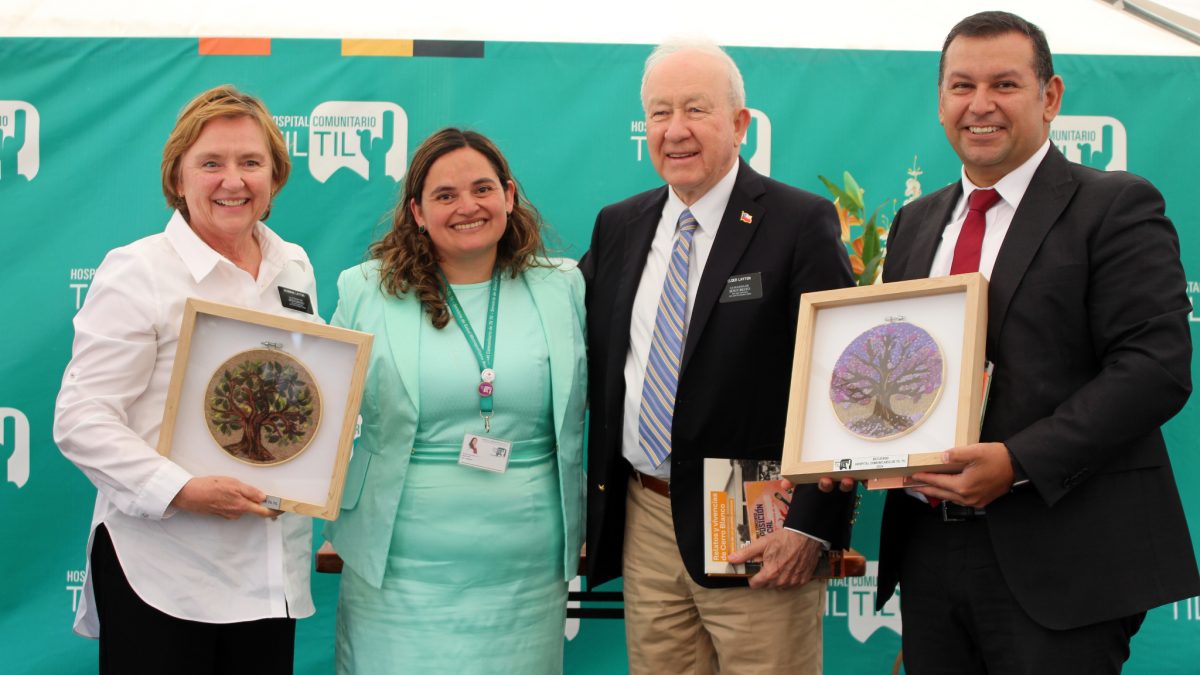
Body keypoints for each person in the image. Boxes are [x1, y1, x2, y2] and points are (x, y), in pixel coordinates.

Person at [874, 11, 1199, 673]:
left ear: (1050, 97)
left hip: (1064, 555)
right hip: (929, 552)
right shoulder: (914, 222)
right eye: (962, 86)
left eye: (1005, 84)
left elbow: (1155, 366)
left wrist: (1017, 460)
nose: (981, 104)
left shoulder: (1114, 204)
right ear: (940, 101)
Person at [581, 39, 857, 674]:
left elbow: (840, 386)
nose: (674, 130)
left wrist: (811, 526)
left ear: (740, 124)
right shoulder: (618, 225)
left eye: (695, 110)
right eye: (658, 113)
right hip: (646, 517)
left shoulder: (798, 222)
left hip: (760, 521)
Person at [53, 85, 317, 673]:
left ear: (275, 176)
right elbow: (82, 419)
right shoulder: (139, 271)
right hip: (165, 574)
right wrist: (181, 489)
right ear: (178, 178)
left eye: (251, 162)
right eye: (211, 163)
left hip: (268, 575)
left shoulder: (292, 265)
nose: (233, 180)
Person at [325, 128, 586, 674]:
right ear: (417, 211)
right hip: (397, 572)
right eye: (445, 196)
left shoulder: (563, 288)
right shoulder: (365, 290)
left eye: (482, 189)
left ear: (509, 197)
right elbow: (322, 412)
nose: (467, 206)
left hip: (526, 571)